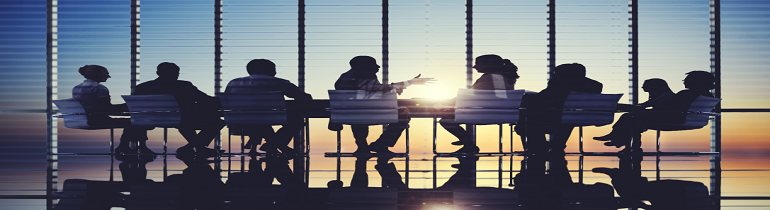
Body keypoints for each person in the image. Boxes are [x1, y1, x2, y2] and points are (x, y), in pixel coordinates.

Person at [333, 55, 435, 154]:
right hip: (370, 114)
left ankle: (362, 145)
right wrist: (409, 83)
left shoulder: (343, 78)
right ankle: (381, 144)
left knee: (359, 113)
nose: (378, 67)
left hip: (349, 115)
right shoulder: (367, 75)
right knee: (403, 114)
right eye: (374, 64)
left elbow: (372, 91)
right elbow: (380, 89)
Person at [594, 71, 716, 151]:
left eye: (687, 79)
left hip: (673, 118)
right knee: (632, 117)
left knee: (629, 117)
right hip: (684, 119)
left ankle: (618, 139)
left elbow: (665, 107)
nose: (684, 81)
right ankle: (619, 140)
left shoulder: (687, 93)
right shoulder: (707, 96)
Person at [134, 62, 225, 157]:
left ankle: (193, 147)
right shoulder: (184, 86)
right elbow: (205, 100)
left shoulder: (143, 87)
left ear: (158, 73)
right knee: (217, 122)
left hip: (151, 120)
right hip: (182, 120)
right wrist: (225, 101)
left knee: (185, 120)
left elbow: (136, 106)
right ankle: (195, 147)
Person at [225, 59, 312, 154]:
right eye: (274, 69)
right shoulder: (279, 82)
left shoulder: (233, 83)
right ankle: (275, 143)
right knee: (297, 121)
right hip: (269, 118)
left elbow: (225, 102)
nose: (275, 72)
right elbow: (304, 97)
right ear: (269, 70)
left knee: (259, 122)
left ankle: (270, 143)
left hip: (238, 122)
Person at [516, 63, 603, 155]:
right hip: (582, 117)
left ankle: (539, 147)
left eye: (555, 73)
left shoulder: (558, 84)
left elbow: (542, 97)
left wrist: (523, 97)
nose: (553, 75)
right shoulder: (595, 86)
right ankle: (557, 146)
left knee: (528, 118)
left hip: (554, 119)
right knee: (568, 119)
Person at [439, 54, 519, 154]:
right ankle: (466, 140)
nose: (474, 66)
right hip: (501, 114)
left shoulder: (489, 78)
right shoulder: (504, 77)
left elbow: (471, 96)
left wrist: (448, 102)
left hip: (485, 114)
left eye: (477, 63)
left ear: (489, 63)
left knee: (446, 120)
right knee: (452, 114)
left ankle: (468, 144)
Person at [71, 65, 151, 157]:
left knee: (134, 122)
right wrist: (128, 106)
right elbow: (107, 108)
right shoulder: (99, 88)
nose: (108, 76)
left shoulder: (76, 88)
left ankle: (127, 147)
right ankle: (130, 147)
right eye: (106, 73)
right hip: (97, 119)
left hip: (84, 118)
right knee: (136, 122)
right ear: (97, 74)